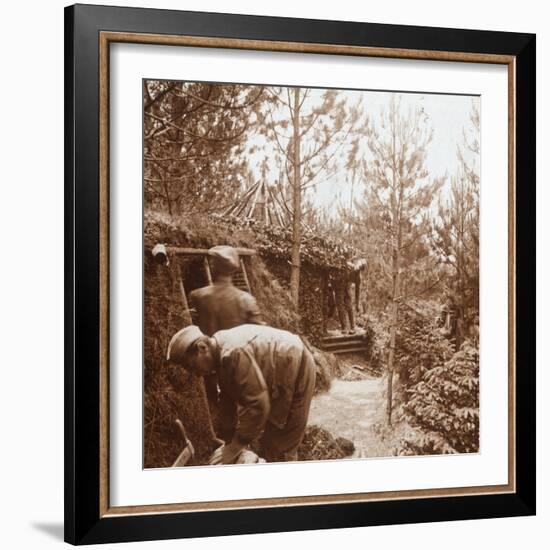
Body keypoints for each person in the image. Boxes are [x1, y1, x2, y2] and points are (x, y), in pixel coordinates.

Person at [166, 323, 316, 464]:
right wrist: (228, 438)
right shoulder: (218, 348)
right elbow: (228, 398)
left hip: (296, 368)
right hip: (278, 371)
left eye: (192, 366)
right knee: (267, 440)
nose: (196, 375)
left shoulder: (232, 354)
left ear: (202, 347)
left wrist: (234, 448)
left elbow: (258, 405)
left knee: (281, 446)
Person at [188, 245, 264, 404]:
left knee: (215, 405)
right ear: (233, 270)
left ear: (214, 267)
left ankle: (216, 425)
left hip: (207, 361)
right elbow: (259, 335)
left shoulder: (198, 296)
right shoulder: (245, 300)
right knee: (238, 403)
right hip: (237, 363)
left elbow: (191, 327)